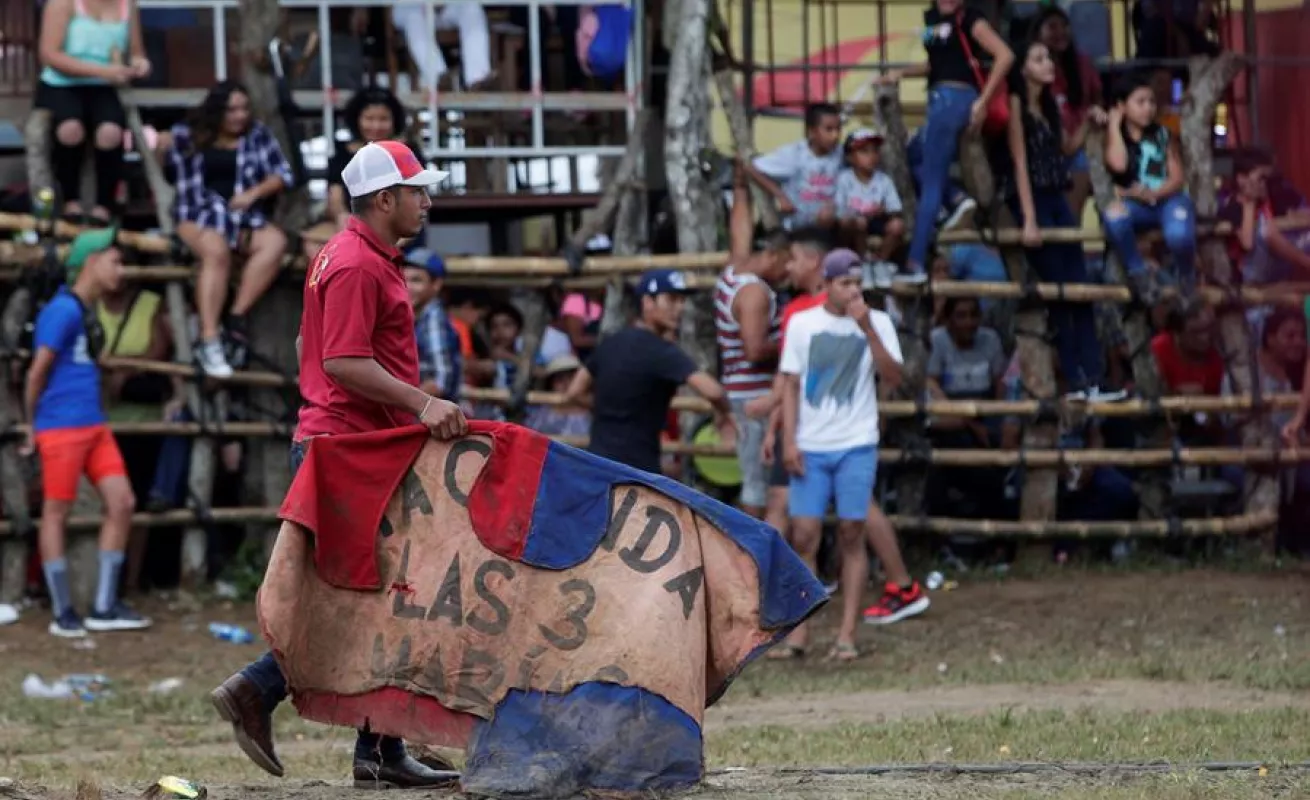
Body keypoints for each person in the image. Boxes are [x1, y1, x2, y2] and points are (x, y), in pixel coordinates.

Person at [209, 140, 466, 789]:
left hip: (354, 444)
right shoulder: (356, 263)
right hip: (349, 450)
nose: (427, 202)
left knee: (381, 596)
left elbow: (309, 343)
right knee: (368, 599)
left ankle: (376, 751)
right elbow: (341, 361)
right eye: (418, 191)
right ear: (386, 199)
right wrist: (422, 402)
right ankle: (259, 691)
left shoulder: (349, 254)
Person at [20, 228, 149, 637]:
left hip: (93, 425)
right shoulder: (63, 311)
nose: (121, 270)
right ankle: (63, 613)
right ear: (91, 261)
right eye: (115, 260)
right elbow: (37, 372)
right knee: (56, 513)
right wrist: (30, 425)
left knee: (122, 502)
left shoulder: (84, 311)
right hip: (60, 427)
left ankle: (103, 606)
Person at [778, 248, 904, 661]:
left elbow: (894, 377)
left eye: (857, 284)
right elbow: (792, 384)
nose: (853, 291)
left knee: (852, 533)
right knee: (804, 536)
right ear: (827, 284)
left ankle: (846, 632)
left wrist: (867, 327)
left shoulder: (879, 322)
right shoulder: (802, 323)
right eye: (845, 283)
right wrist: (789, 441)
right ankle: (800, 633)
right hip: (812, 445)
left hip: (856, 443)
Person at [1006, 39, 1120, 400]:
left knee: (1080, 287)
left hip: (1056, 196)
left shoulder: (1050, 107)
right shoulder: (1016, 104)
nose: (1048, 64)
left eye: (1048, 58)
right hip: (1034, 200)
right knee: (1059, 293)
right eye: (1038, 58)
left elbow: (1067, 151)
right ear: (1023, 68)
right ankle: (1076, 379)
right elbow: (1020, 163)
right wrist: (1028, 219)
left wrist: (1089, 122)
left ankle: (1096, 378)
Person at [874, 0, 1013, 281]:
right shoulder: (933, 20)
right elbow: (937, 63)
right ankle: (955, 199)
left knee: (931, 182)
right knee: (915, 157)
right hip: (941, 97)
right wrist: (901, 73)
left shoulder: (970, 17)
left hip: (953, 98)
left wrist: (983, 102)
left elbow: (1005, 55)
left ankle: (915, 263)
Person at [168, 80, 295, 378]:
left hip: (242, 216)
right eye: (231, 110)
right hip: (196, 213)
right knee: (216, 252)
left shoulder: (258, 135)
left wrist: (254, 193)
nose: (239, 115)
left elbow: (284, 175)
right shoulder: (188, 136)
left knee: (275, 243)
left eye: (244, 108)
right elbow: (157, 146)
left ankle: (236, 317)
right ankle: (209, 337)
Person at [564, 269, 735, 474]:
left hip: (599, 462)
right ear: (647, 302)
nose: (679, 308)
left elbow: (574, 391)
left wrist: (608, 408)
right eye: (671, 299)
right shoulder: (662, 352)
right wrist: (724, 412)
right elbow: (713, 391)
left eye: (681, 301)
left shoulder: (610, 343)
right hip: (639, 469)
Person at [715, 164, 789, 518]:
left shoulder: (736, 268)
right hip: (754, 394)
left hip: (740, 389)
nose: (787, 274)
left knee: (756, 477)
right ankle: (751, 561)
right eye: (785, 266)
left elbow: (739, 227)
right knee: (757, 482)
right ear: (772, 256)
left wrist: (741, 184)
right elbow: (755, 349)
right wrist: (793, 341)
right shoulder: (755, 294)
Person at [36, 0, 150, 225]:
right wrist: (102, 71)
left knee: (110, 133)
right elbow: (49, 54)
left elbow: (137, 51)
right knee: (70, 129)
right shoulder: (62, 4)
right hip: (62, 83)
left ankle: (104, 205)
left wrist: (140, 64)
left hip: (105, 86)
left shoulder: (128, 5)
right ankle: (70, 200)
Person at [1103, 71, 1197, 302]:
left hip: (1168, 201)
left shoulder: (1163, 134)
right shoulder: (1115, 137)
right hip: (1137, 206)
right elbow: (1118, 164)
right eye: (1140, 102)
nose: (1148, 108)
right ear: (1122, 106)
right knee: (1113, 216)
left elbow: (1177, 178)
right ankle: (1139, 273)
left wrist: (1152, 194)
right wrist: (1114, 125)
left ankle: (1186, 275)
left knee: (1178, 236)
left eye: (1151, 102)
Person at [1033, 5, 1103, 215]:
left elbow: (1097, 98)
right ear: (1038, 33)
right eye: (1052, 27)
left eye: (1065, 26)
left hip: (1083, 145)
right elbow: (1066, 146)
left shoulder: (1082, 63)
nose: (1060, 32)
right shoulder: (1036, 75)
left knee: (1088, 157)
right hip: (1053, 150)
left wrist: (1096, 112)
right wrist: (1087, 124)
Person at [747, 103, 844, 229]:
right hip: (799, 223)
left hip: (832, 220)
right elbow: (753, 168)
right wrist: (780, 195)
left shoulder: (842, 153)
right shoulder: (794, 154)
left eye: (838, 129)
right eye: (829, 129)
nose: (835, 136)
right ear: (812, 132)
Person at [834, 128, 905, 272]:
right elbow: (839, 210)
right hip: (854, 225)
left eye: (875, 151)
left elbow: (895, 208)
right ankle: (863, 262)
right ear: (850, 157)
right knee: (859, 223)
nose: (871, 156)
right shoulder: (844, 179)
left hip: (877, 221)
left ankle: (880, 262)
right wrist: (856, 215)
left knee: (897, 225)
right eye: (864, 152)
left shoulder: (883, 180)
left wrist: (882, 210)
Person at [391, 2, 493, 91]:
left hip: (449, 7)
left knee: (472, 7)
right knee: (413, 19)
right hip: (413, 7)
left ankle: (477, 79)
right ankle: (440, 79)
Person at [403, 250, 461, 401]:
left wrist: (404, 402)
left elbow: (441, 381)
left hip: (429, 414)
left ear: (436, 284)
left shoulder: (433, 319)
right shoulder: (414, 316)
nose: (407, 287)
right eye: (404, 280)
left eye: (416, 281)